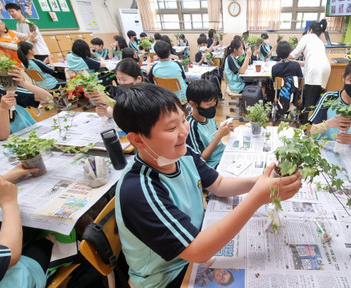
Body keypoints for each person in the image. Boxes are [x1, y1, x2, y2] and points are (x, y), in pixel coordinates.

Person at [112, 83, 301, 288]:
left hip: (194, 246)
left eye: (183, 121)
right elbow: (198, 250)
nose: (183, 131)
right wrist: (257, 197)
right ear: (138, 139)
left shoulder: (181, 154)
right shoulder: (140, 189)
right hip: (168, 275)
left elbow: (218, 184)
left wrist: (267, 180)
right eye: (171, 128)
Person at [0, 165, 53, 288]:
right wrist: (8, 203)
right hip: (18, 278)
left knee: (27, 221)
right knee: (51, 241)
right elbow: (9, 255)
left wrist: (5, 178)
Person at [309, 56, 351, 144]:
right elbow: (313, 131)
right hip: (323, 145)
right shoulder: (328, 98)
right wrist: (330, 123)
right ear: (344, 77)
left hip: (346, 147)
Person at [289, 19, 331, 123]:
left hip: (315, 71)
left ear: (310, 30)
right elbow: (307, 61)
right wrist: (296, 61)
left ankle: (306, 126)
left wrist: (285, 57)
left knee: (309, 100)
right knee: (315, 98)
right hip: (325, 69)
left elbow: (294, 54)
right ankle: (313, 121)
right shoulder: (319, 41)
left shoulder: (307, 37)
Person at [186, 80, 234, 169]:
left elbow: (215, 133)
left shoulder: (207, 116)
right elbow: (201, 159)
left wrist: (224, 128)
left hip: (224, 154)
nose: (213, 106)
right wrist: (218, 136)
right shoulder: (191, 127)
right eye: (208, 104)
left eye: (214, 101)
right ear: (193, 104)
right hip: (213, 165)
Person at [0, 46, 50, 110]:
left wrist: (23, 83)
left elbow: (47, 97)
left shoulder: (0, 83)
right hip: (49, 83)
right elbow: (51, 71)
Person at [0, 73, 36, 140]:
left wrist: (23, 83)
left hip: (32, 133)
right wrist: (3, 109)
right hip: (9, 144)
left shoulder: (1, 90)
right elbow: (1, 136)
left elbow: (47, 98)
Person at [271, 41, 303, 118]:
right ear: (289, 52)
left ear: (277, 53)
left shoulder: (275, 67)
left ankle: (275, 111)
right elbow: (300, 79)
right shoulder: (296, 65)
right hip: (294, 94)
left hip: (280, 94)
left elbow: (273, 82)